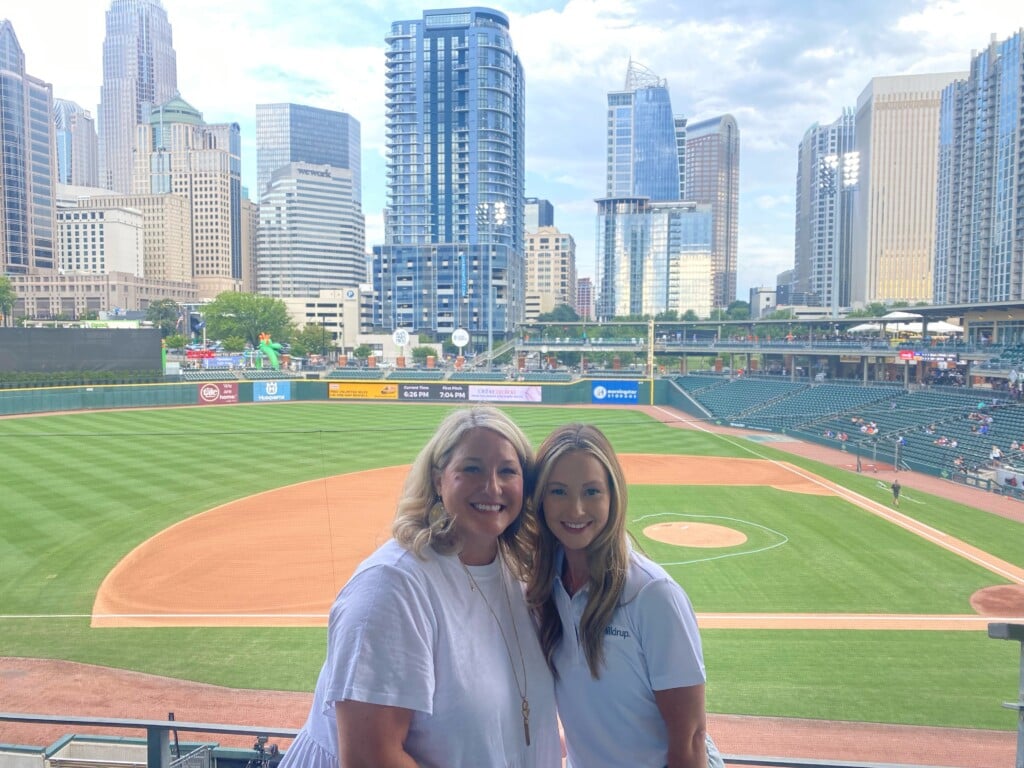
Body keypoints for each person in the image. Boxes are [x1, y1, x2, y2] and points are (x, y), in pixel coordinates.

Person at [281, 407, 560, 768]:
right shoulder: (392, 586)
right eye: (471, 468)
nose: (492, 486)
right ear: (438, 478)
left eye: (507, 470)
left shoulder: (518, 573)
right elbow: (371, 758)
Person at [525, 423, 723, 768]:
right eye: (558, 491)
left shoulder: (652, 595)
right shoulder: (544, 587)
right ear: (540, 498)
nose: (575, 510)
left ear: (613, 496)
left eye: (591, 492)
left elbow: (690, 738)